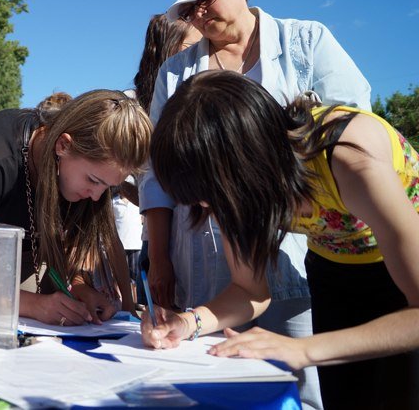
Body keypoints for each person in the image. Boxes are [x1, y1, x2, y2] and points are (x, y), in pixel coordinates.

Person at [138, 0, 373, 409]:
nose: (200, 13)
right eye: (189, 8)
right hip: (212, 257)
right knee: (217, 381)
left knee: (307, 386)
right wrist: (167, 274)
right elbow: (158, 172)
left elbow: (349, 129)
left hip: (318, 255)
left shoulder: (309, 45)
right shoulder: (176, 75)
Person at [142, 71, 419, 409]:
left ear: (246, 163)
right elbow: (249, 290)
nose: (207, 207)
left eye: (210, 195)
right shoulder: (238, 184)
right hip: (334, 266)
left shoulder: (351, 160)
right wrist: (188, 322)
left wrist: (302, 349)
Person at [0, 90, 152, 326]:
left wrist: (78, 286)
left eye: (109, 187)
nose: (97, 197)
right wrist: (35, 305)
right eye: (93, 181)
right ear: (63, 145)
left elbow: (73, 247)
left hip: (28, 255)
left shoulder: (85, 175)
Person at [131, 14, 199, 304]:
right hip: (157, 238)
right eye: (191, 44)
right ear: (170, 47)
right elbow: (141, 174)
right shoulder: (133, 103)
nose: (200, 51)